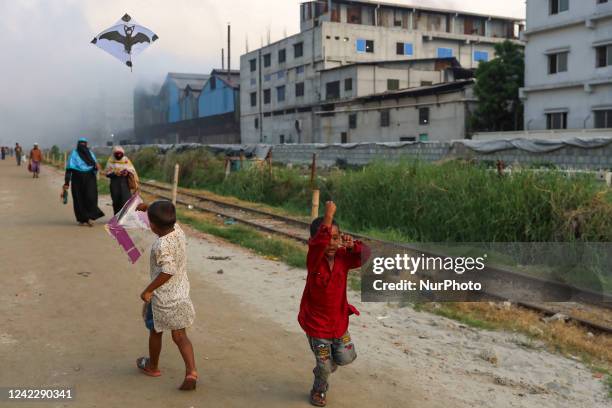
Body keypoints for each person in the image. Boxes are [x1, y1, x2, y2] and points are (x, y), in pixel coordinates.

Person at [298, 201, 370, 407]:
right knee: (324, 365)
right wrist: (328, 215)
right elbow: (319, 243)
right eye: (327, 237)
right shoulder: (314, 260)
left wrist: (352, 244)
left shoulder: (343, 258)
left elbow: (365, 255)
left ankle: (324, 367)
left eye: (336, 238)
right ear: (315, 241)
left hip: (338, 323)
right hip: (317, 325)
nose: (331, 243)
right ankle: (319, 390)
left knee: (346, 358)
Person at [135, 200, 198, 391]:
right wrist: (148, 209)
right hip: (181, 295)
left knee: (155, 330)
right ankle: (191, 372)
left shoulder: (160, 245)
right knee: (180, 336)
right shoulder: (177, 231)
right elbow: (166, 214)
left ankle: (152, 366)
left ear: (152, 226)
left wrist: (149, 290)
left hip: (162, 299)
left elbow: (167, 270)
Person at [62, 138, 104, 227]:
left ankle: (89, 217)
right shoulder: (73, 154)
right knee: (78, 199)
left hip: (90, 179)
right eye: (81, 144)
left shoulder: (90, 154)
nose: (82, 146)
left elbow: (95, 166)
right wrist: (66, 182)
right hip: (77, 180)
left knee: (90, 197)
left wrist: (97, 167)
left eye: (84, 144)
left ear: (86, 144)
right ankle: (82, 219)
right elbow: (69, 169)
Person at [104, 146, 139, 214]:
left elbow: (132, 170)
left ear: (123, 153)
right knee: (116, 201)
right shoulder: (111, 161)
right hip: (114, 183)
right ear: (114, 153)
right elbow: (107, 173)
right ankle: (117, 218)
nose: (119, 155)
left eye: (120, 153)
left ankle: (125, 218)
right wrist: (115, 173)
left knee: (126, 201)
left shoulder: (126, 160)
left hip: (125, 183)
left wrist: (127, 172)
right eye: (117, 153)